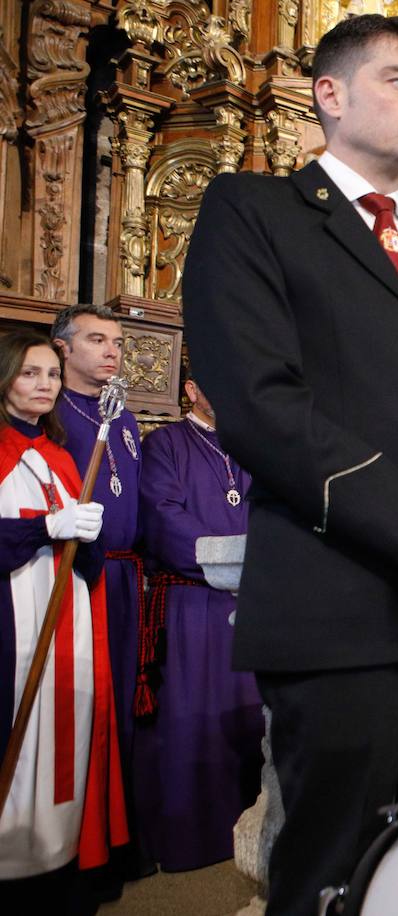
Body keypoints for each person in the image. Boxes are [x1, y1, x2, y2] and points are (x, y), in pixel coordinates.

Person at [182, 15, 398, 915]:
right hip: (337, 603)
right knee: (336, 872)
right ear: (329, 96)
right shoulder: (251, 212)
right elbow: (261, 404)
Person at [0, 331, 126, 911]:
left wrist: (88, 533)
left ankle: (53, 862)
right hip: (13, 629)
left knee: (63, 742)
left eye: (52, 375)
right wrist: (46, 528)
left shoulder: (61, 456)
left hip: (66, 626)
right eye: (31, 373)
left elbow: (85, 564)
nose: (45, 385)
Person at [133, 375, 264, 871]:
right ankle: (198, 839)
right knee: (195, 718)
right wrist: (228, 562)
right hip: (194, 603)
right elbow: (164, 515)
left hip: (254, 598)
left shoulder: (251, 449)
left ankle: (251, 828)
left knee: (251, 719)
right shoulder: (164, 444)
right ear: (191, 390)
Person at [50, 303, 144, 877]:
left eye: (116, 341)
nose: (111, 351)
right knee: (84, 706)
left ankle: (114, 840)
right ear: (62, 348)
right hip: (79, 576)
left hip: (127, 575)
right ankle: (73, 849)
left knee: (123, 711)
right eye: (96, 340)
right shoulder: (53, 414)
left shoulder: (124, 417)